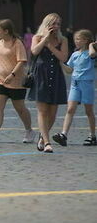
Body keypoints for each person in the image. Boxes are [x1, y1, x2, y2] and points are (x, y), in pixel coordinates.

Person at [0, 19, 35, 144]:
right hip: (0, 80)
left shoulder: (17, 43)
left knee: (20, 108)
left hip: (16, 81)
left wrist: (12, 75)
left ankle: (29, 130)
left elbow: (21, 61)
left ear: (6, 31)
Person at [28, 13, 68, 153]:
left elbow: (63, 57)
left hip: (55, 75)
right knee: (42, 111)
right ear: (47, 24)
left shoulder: (62, 40)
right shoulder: (37, 37)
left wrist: (50, 46)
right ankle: (47, 142)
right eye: (53, 24)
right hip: (41, 76)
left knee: (52, 113)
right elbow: (34, 51)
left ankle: (42, 136)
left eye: (58, 24)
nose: (56, 26)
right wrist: (45, 38)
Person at [53, 29, 96, 147]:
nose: (76, 41)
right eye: (75, 39)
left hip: (86, 84)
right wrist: (61, 64)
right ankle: (64, 134)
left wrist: (91, 45)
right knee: (70, 109)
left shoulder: (90, 52)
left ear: (86, 40)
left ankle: (92, 136)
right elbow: (69, 70)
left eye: (78, 39)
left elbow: (92, 55)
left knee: (88, 111)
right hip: (75, 84)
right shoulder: (75, 54)